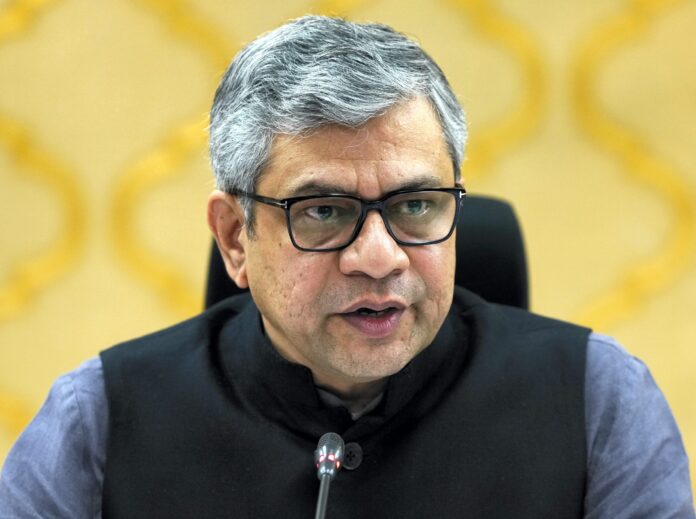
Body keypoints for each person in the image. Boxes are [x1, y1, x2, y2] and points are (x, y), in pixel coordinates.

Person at [1, 15, 693, 518]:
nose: (379, 257)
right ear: (236, 237)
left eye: (416, 205)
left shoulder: (597, 398)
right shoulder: (97, 419)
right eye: (325, 211)